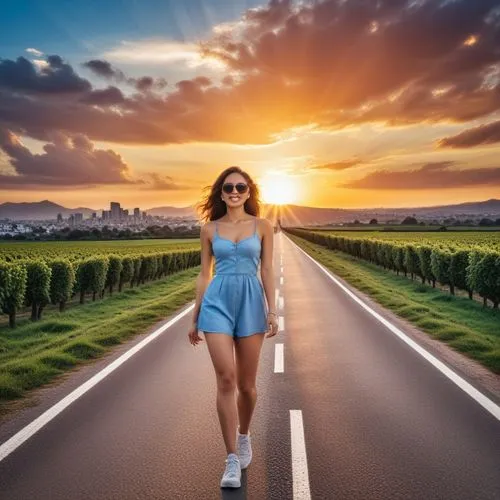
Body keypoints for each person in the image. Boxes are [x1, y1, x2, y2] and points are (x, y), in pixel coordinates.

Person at [189, 166, 279, 489]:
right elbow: (204, 274)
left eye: (240, 186)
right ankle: (230, 458)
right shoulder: (209, 230)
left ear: (249, 191)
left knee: (247, 386)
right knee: (225, 378)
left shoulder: (263, 226)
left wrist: (273, 310)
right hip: (217, 303)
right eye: (228, 187)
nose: (234, 191)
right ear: (221, 192)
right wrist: (195, 314)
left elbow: (267, 269)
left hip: (252, 303)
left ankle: (244, 435)